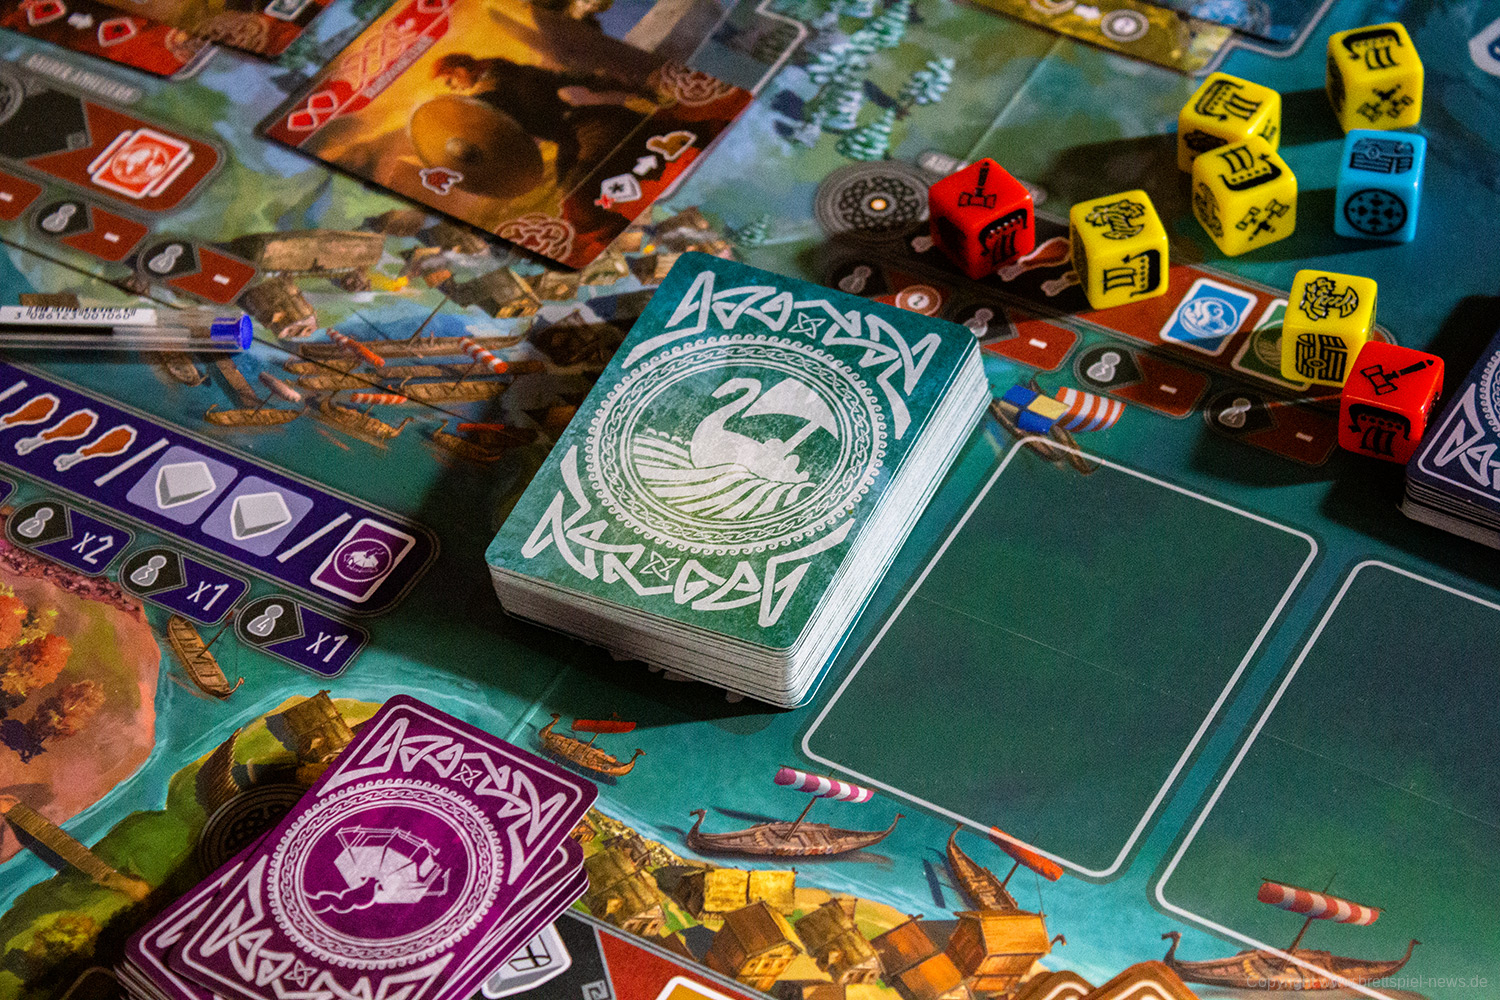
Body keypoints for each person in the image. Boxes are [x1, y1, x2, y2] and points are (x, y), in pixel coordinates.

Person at [432, 54, 657, 190]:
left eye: (450, 81)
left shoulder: (490, 93)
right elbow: (573, 78)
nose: (453, 88)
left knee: (577, 194)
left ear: (460, 70)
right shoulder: (512, 71)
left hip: (589, 130)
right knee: (567, 188)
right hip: (583, 129)